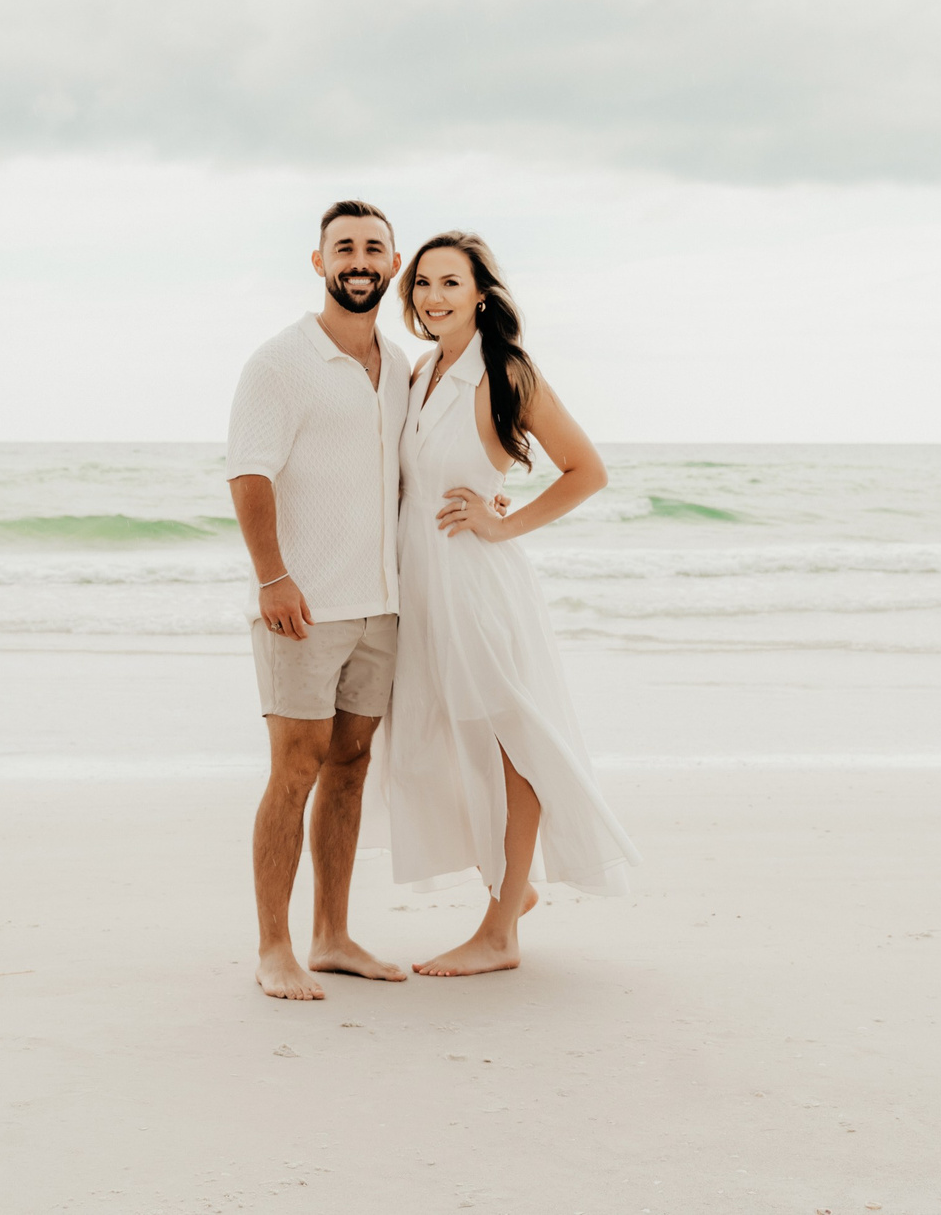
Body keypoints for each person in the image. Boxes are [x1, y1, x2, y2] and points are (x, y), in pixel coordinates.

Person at [386, 230, 640, 977]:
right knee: (442, 738)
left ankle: (500, 933)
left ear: (481, 294)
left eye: (450, 284)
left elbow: (585, 469)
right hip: (423, 585)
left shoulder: (506, 370)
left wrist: (504, 523)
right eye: (423, 284)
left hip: (476, 584)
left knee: (510, 743)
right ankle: (514, 889)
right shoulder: (420, 371)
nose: (433, 297)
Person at [225, 199, 413, 1002]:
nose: (359, 260)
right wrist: (272, 576)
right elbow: (249, 473)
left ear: (392, 264)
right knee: (294, 770)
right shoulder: (280, 362)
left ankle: (332, 936)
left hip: (381, 606)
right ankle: (275, 948)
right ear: (319, 263)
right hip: (301, 607)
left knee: (351, 766)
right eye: (345, 248)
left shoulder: (402, 367)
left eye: (374, 247)